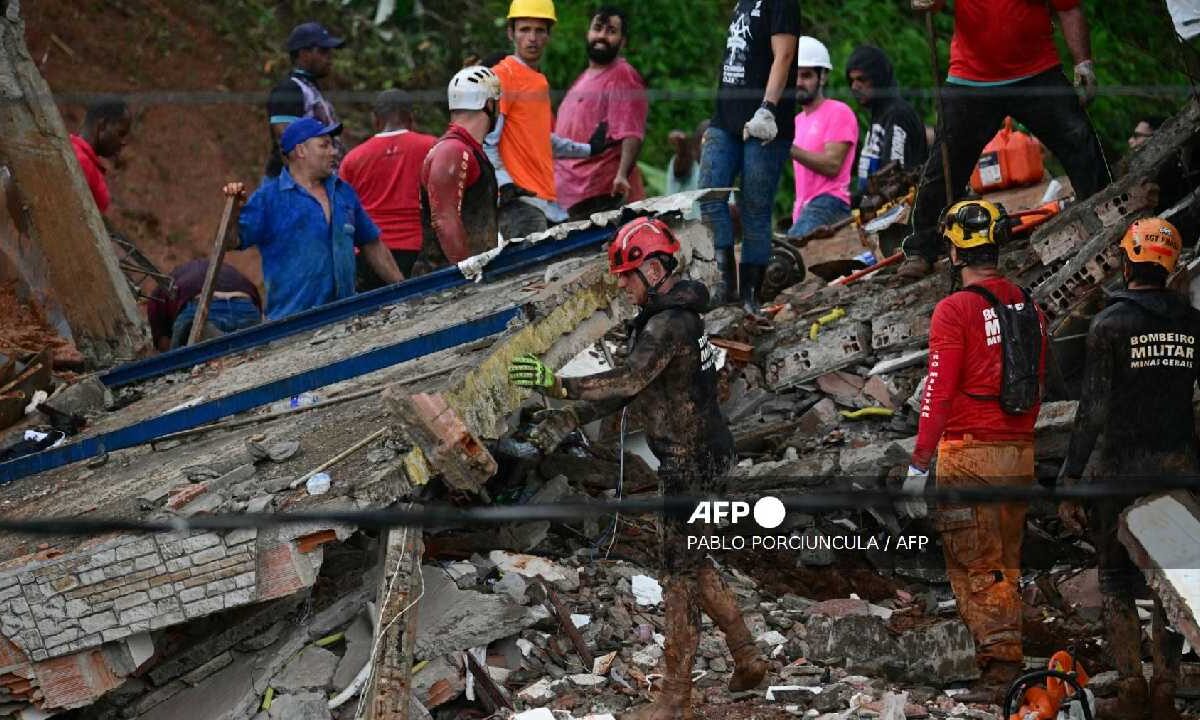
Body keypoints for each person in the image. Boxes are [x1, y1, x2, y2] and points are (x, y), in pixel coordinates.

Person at [507, 217, 768, 720]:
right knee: (692, 565)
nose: (622, 286)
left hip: (690, 464)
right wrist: (562, 416)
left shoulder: (670, 323)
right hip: (702, 456)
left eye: (627, 275)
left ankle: (675, 698)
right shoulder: (665, 315)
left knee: (676, 578)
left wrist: (557, 386)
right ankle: (748, 657)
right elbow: (637, 389)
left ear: (653, 267)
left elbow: (628, 381)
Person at [906, 200, 1047, 703]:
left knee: (974, 564)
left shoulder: (955, 309)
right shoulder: (1028, 305)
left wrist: (918, 462)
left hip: (969, 454)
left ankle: (1000, 669)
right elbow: (1037, 384)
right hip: (1018, 452)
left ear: (953, 250)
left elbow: (938, 392)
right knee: (1005, 561)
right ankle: (1006, 654)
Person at [1058, 218, 1197, 720]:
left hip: (1118, 472)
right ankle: (1165, 687)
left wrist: (1071, 476)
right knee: (1170, 586)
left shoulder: (1110, 325)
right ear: (1170, 265)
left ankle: (1133, 689)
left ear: (1128, 259)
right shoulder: (1192, 324)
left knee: (1116, 580)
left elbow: (1092, 410)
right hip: (1178, 471)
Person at [900, 0, 1112, 280]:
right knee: (945, 161)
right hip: (971, 77)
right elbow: (933, 4)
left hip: (1037, 70)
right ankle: (922, 247)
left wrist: (1083, 63)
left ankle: (1107, 211)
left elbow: (1069, 7)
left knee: (1079, 141)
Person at [221, 118, 402, 320]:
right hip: (291, 323)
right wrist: (234, 212)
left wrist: (403, 289)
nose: (333, 152)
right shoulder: (269, 198)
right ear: (301, 151)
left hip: (346, 317)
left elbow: (372, 244)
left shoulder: (342, 192)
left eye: (332, 145)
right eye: (324, 145)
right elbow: (231, 241)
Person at [699, 0, 799, 312]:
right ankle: (724, 288)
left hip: (764, 121)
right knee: (709, 197)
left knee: (754, 207)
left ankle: (750, 299)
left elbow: (783, 55)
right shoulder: (743, 3)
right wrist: (716, 120)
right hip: (726, 120)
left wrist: (767, 109)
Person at [487, 0, 611, 239]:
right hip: (519, 205)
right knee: (528, 275)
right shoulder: (503, 75)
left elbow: (541, 140)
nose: (532, 38)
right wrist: (504, 184)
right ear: (511, 33)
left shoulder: (538, 81)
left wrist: (589, 149)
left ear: (548, 36)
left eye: (539, 30)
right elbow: (487, 140)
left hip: (547, 204)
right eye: (524, 29)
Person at [554, 6, 649, 220]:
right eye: (597, 28)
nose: (602, 36)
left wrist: (622, 175)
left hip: (603, 198)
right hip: (569, 199)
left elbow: (631, 132)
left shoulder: (622, 75)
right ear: (588, 33)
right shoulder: (584, 78)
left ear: (622, 41)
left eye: (611, 31)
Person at [340, 90, 437, 286]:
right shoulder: (432, 148)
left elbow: (344, 212)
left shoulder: (353, 159)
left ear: (375, 119)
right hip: (419, 252)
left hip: (369, 255)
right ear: (411, 117)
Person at [419, 66, 502, 268]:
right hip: (447, 284)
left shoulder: (467, 150)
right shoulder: (453, 150)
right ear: (489, 104)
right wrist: (469, 274)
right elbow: (444, 221)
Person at [787, 37, 858, 240]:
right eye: (795, 75)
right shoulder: (797, 121)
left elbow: (832, 165)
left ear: (823, 76)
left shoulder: (838, 111)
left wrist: (786, 145)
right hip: (805, 209)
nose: (799, 82)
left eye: (807, 75)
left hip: (832, 202)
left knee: (783, 257)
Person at [844, 45, 928, 198]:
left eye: (861, 79)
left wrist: (850, 202)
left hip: (898, 213)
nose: (855, 86)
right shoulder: (879, 115)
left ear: (878, 78)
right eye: (852, 81)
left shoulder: (897, 115)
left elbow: (894, 180)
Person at [264, 21, 345, 178]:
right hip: (292, 188)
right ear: (304, 54)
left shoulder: (310, 88)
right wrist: (305, 189)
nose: (329, 57)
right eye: (323, 51)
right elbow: (286, 141)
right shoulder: (289, 89)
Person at [146, 260, 263, 351]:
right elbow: (256, 300)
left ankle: (209, 334)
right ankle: (230, 337)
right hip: (245, 307)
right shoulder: (227, 270)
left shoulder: (161, 291)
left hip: (203, 309)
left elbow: (163, 345)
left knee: (175, 364)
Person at [70, 97, 132, 215]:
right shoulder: (80, 162)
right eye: (120, 133)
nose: (123, 142)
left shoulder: (77, 154)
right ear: (102, 125)